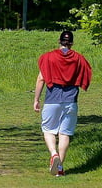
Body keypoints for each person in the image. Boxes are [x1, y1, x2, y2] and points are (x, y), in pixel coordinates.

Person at [33, 31, 92, 177]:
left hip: (52, 99)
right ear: (71, 43)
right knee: (65, 133)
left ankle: (53, 154)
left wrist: (36, 99)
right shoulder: (78, 58)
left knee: (48, 130)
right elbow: (86, 74)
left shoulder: (49, 57)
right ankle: (59, 168)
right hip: (71, 100)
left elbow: (41, 79)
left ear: (59, 41)